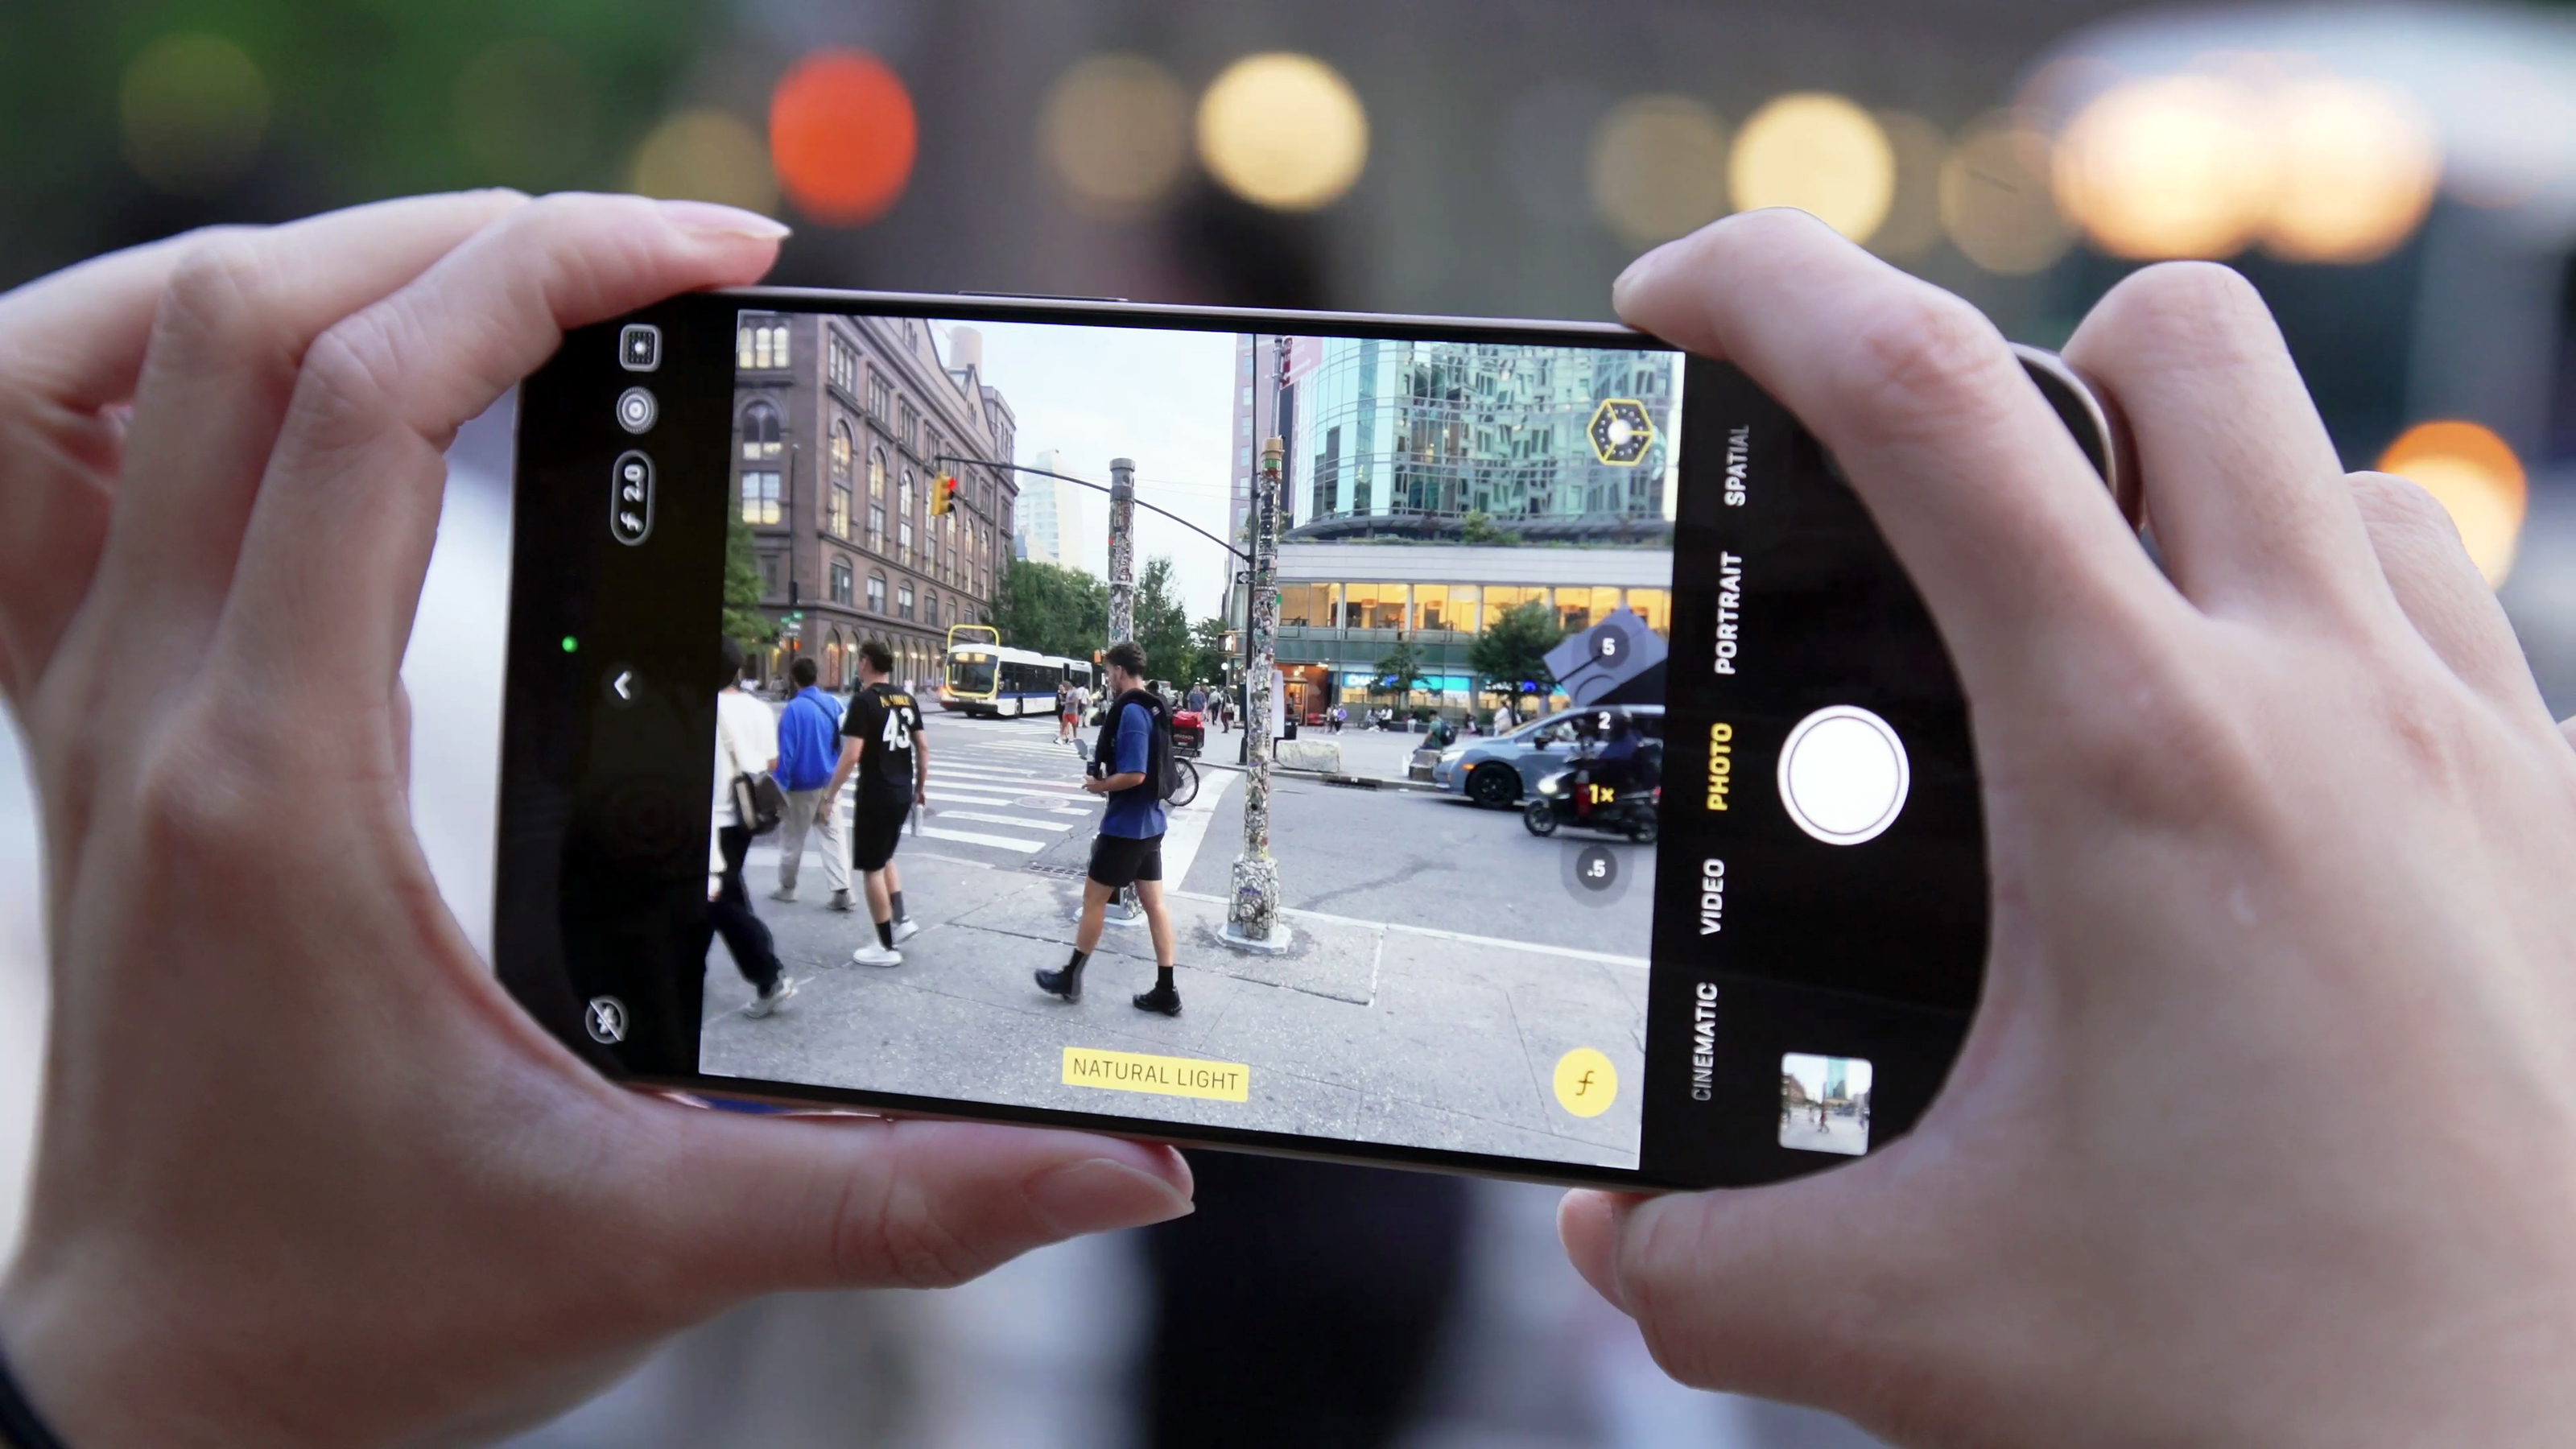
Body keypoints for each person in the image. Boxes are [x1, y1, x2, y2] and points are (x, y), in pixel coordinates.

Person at [8, 194, 2576, 1449]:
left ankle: (1076, 970)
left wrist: (139, 1376)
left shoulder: (1193, 704)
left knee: (1086, 923)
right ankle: (1061, 965)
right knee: (1060, 917)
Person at [1034, 640, 1183, 1015]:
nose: (1108, 679)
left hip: (1125, 828)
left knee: (1092, 901)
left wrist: (1098, 785)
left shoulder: (1132, 712)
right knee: (1154, 905)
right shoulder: (1153, 705)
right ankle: (1167, 990)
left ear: (1119, 671)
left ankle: (1070, 977)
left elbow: (1135, 774)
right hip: (1151, 823)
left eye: (1108, 672)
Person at [705, 634, 796, 1018]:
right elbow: (772, 765)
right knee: (726, 893)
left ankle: (769, 974)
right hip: (745, 819)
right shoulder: (760, 711)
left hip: (713, 822)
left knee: (719, 901)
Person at [824, 639, 926, 968]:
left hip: (875, 791)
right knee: (885, 857)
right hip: (901, 790)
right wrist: (920, 788)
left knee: (871, 869)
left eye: (859, 660)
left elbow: (851, 754)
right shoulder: (906, 698)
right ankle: (901, 919)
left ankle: (885, 946)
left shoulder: (864, 701)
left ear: (866, 662)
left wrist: (829, 794)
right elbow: (923, 748)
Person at [769, 654, 851, 911]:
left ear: (794, 680)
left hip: (800, 787)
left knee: (793, 838)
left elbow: (788, 754)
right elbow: (846, 741)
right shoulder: (835, 704)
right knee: (833, 835)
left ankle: (787, 887)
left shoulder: (793, 709)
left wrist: (778, 788)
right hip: (829, 783)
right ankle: (842, 890)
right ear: (818, 677)